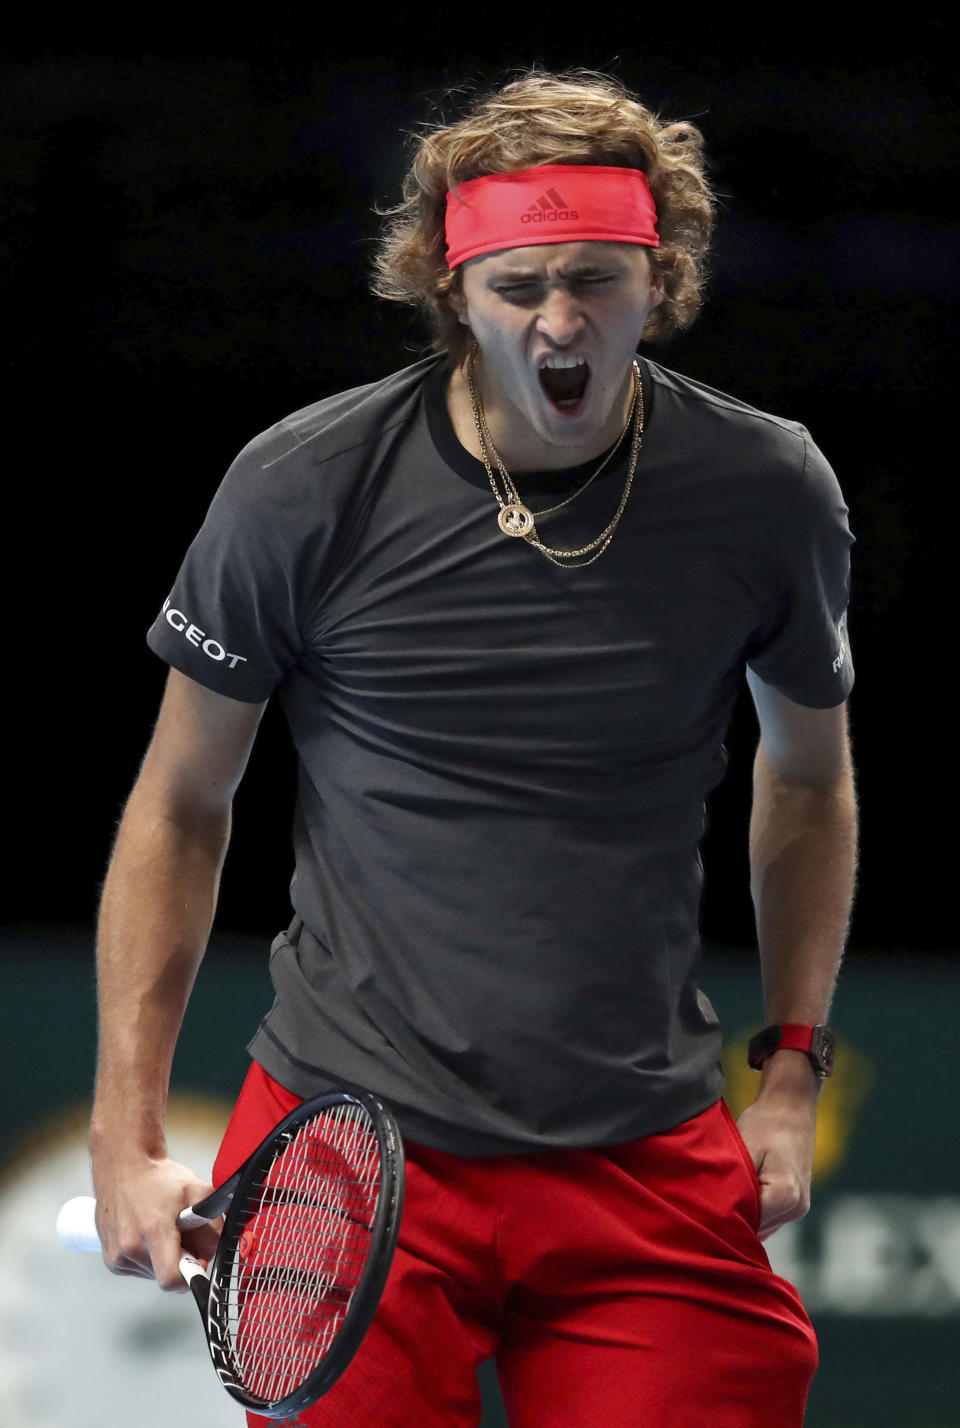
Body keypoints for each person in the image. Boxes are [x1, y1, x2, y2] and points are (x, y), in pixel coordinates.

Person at [89, 68, 858, 1427]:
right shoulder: (302, 487)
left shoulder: (766, 489)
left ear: (662, 274)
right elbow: (180, 806)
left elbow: (806, 779)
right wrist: (124, 1128)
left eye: (597, 280)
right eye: (517, 288)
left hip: (641, 1150)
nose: (560, 320)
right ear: (452, 294)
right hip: (345, 1137)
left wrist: (791, 1073)